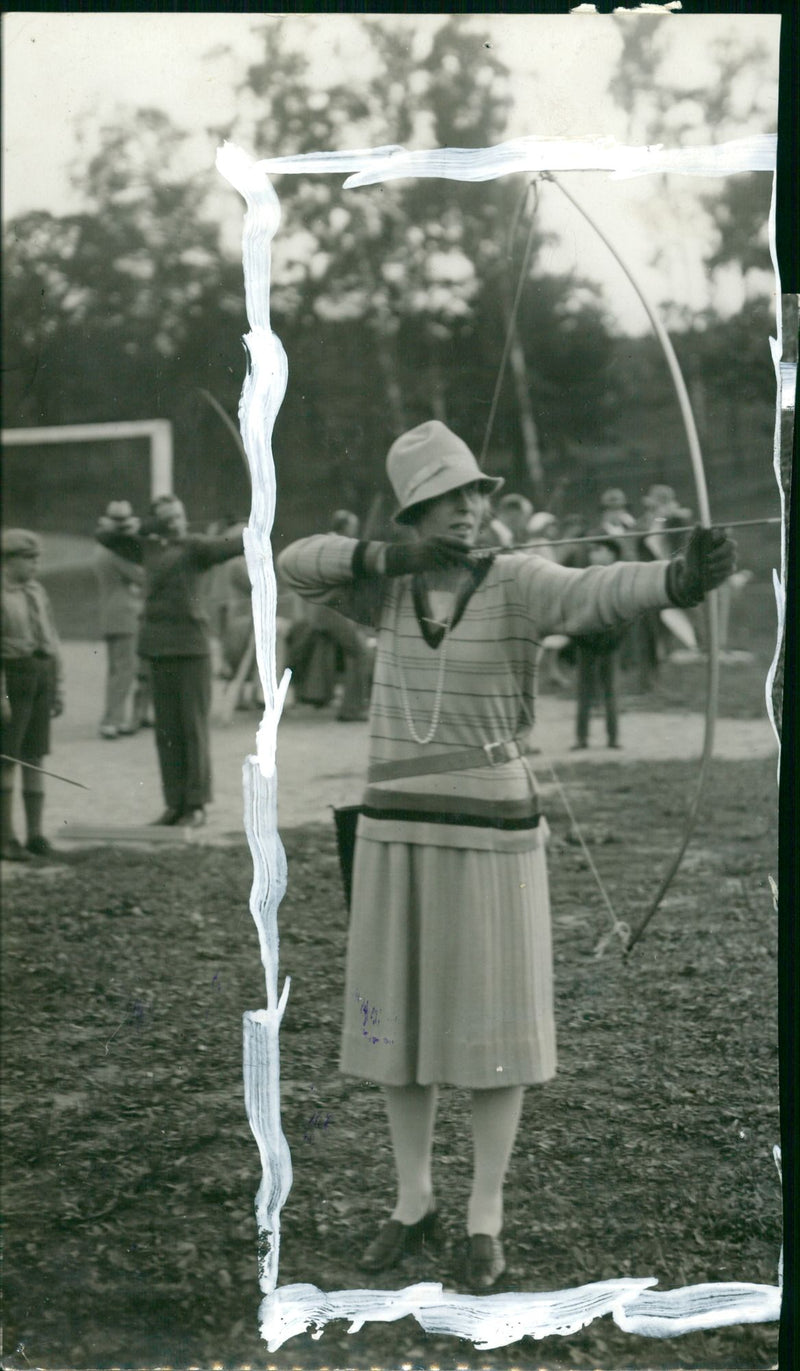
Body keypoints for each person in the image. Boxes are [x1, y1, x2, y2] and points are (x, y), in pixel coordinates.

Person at [277, 420, 735, 1291]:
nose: (470, 510)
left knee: (495, 1028)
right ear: (415, 510)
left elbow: (595, 590)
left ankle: (484, 1214)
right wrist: (384, 558)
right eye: (449, 498)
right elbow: (294, 560)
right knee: (391, 1028)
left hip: (491, 831)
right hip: (392, 827)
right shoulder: (383, 588)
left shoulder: (519, 580)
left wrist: (677, 577)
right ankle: (413, 1202)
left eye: (476, 494)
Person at [94, 496, 244, 826]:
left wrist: (252, 521)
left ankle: (196, 805)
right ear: (155, 523)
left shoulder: (195, 547)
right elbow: (104, 538)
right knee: (167, 731)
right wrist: (134, 528)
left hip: (192, 649)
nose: (174, 523)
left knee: (192, 729)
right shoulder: (147, 548)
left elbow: (236, 543)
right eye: (166, 519)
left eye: (179, 516)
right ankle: (174, 803)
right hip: (159, 648)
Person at [1, 529, 64, 860]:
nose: (35, 565)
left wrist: (58, 687)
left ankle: (35, 835)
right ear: (8, 561)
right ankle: (6, 837)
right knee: (8, 757)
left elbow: (52, 638)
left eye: (37, 558)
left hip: (41, 677)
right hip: (13, 679)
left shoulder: (37, 592)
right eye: (29, 558)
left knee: (35, 756)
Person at [93, 501, 147, 738]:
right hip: (125, 614)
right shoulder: (115, 553)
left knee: (117, 669)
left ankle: (117, 717)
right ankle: (112, 720)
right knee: (125, 670)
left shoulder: (102, 549)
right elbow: (141, 577)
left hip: (111, 613)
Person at [571, 536, 626, 750]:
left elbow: (627, 614)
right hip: (586, 643)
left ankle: (613, 737)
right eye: (592, 550)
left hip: (610, 643)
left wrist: (614, 639)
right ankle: (581, 738)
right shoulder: (582, 578)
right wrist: (580, 637)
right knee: (584, 692)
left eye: (599, 549)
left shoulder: (619, 579)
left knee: (611, 691)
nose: (594, 554)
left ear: (612, 554)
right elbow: (573, 609)